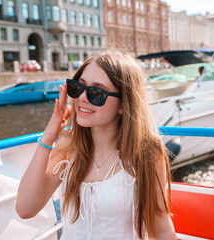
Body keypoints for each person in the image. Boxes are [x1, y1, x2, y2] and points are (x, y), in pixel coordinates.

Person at [15, 51, 177, 240]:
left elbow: (160, 223)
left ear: (124, 105)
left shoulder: (146, 149)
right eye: (78, 87)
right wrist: (48, 138)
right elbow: (25, 209)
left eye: (96, 93)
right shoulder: (69, 145)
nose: (82, 98)